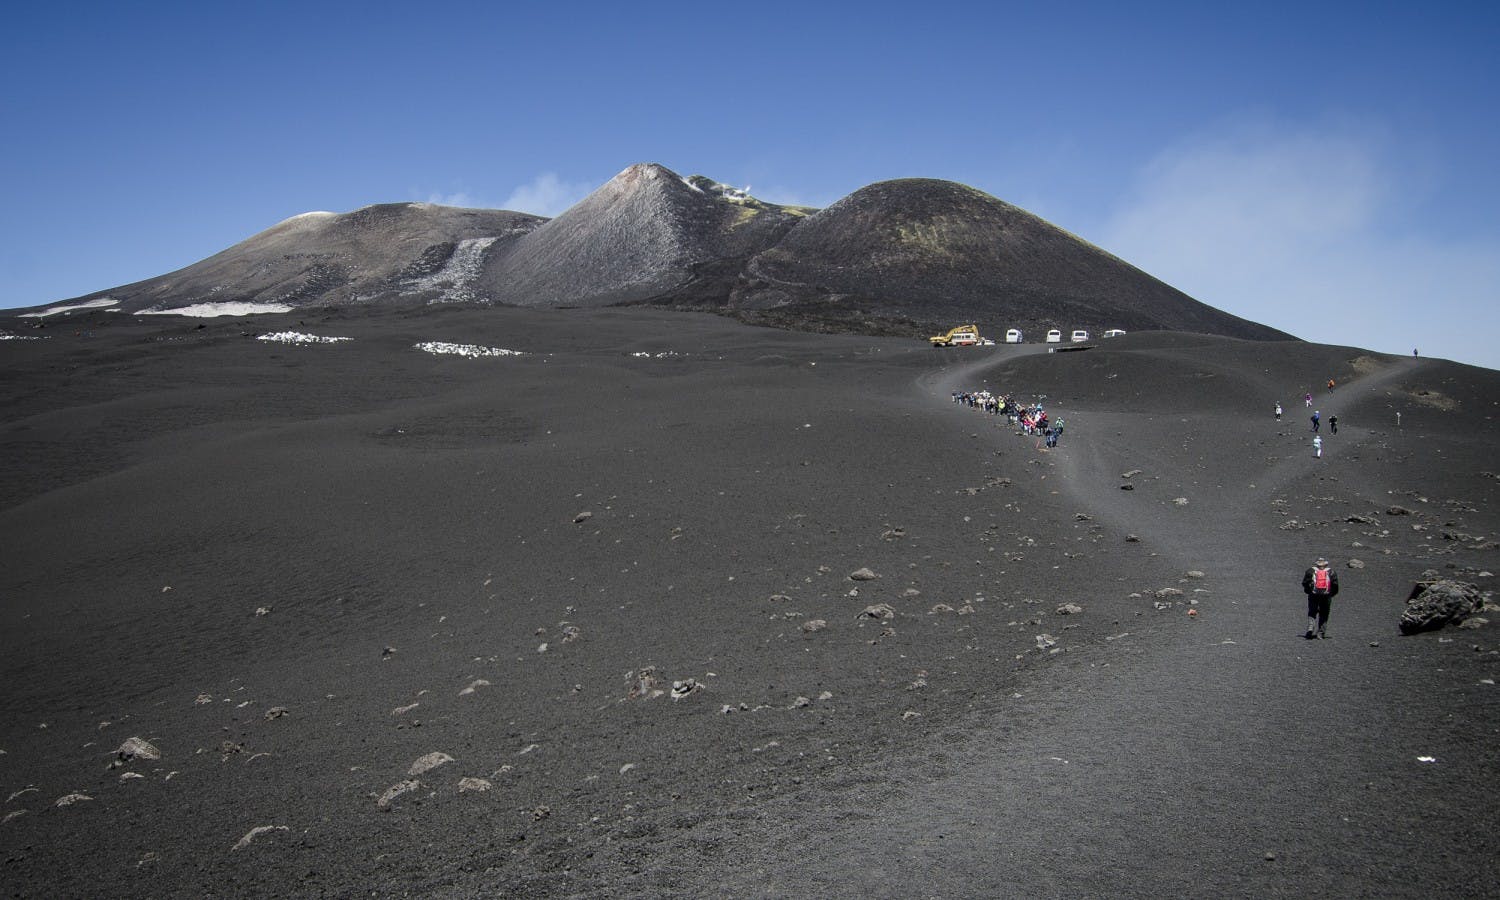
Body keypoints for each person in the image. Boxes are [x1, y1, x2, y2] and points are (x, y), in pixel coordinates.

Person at [1302, 557, 1339, 639]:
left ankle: (1310, 628)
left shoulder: (1310, 571)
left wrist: (1309, 591)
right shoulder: (1331, 572)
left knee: (1312, 612)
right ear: (1326, 564)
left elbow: (1305, 583)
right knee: (1324, 614)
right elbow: (1335, 585)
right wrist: (1331, 594)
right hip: (1326, 596)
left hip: (1313, 595)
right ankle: (1321, 633)